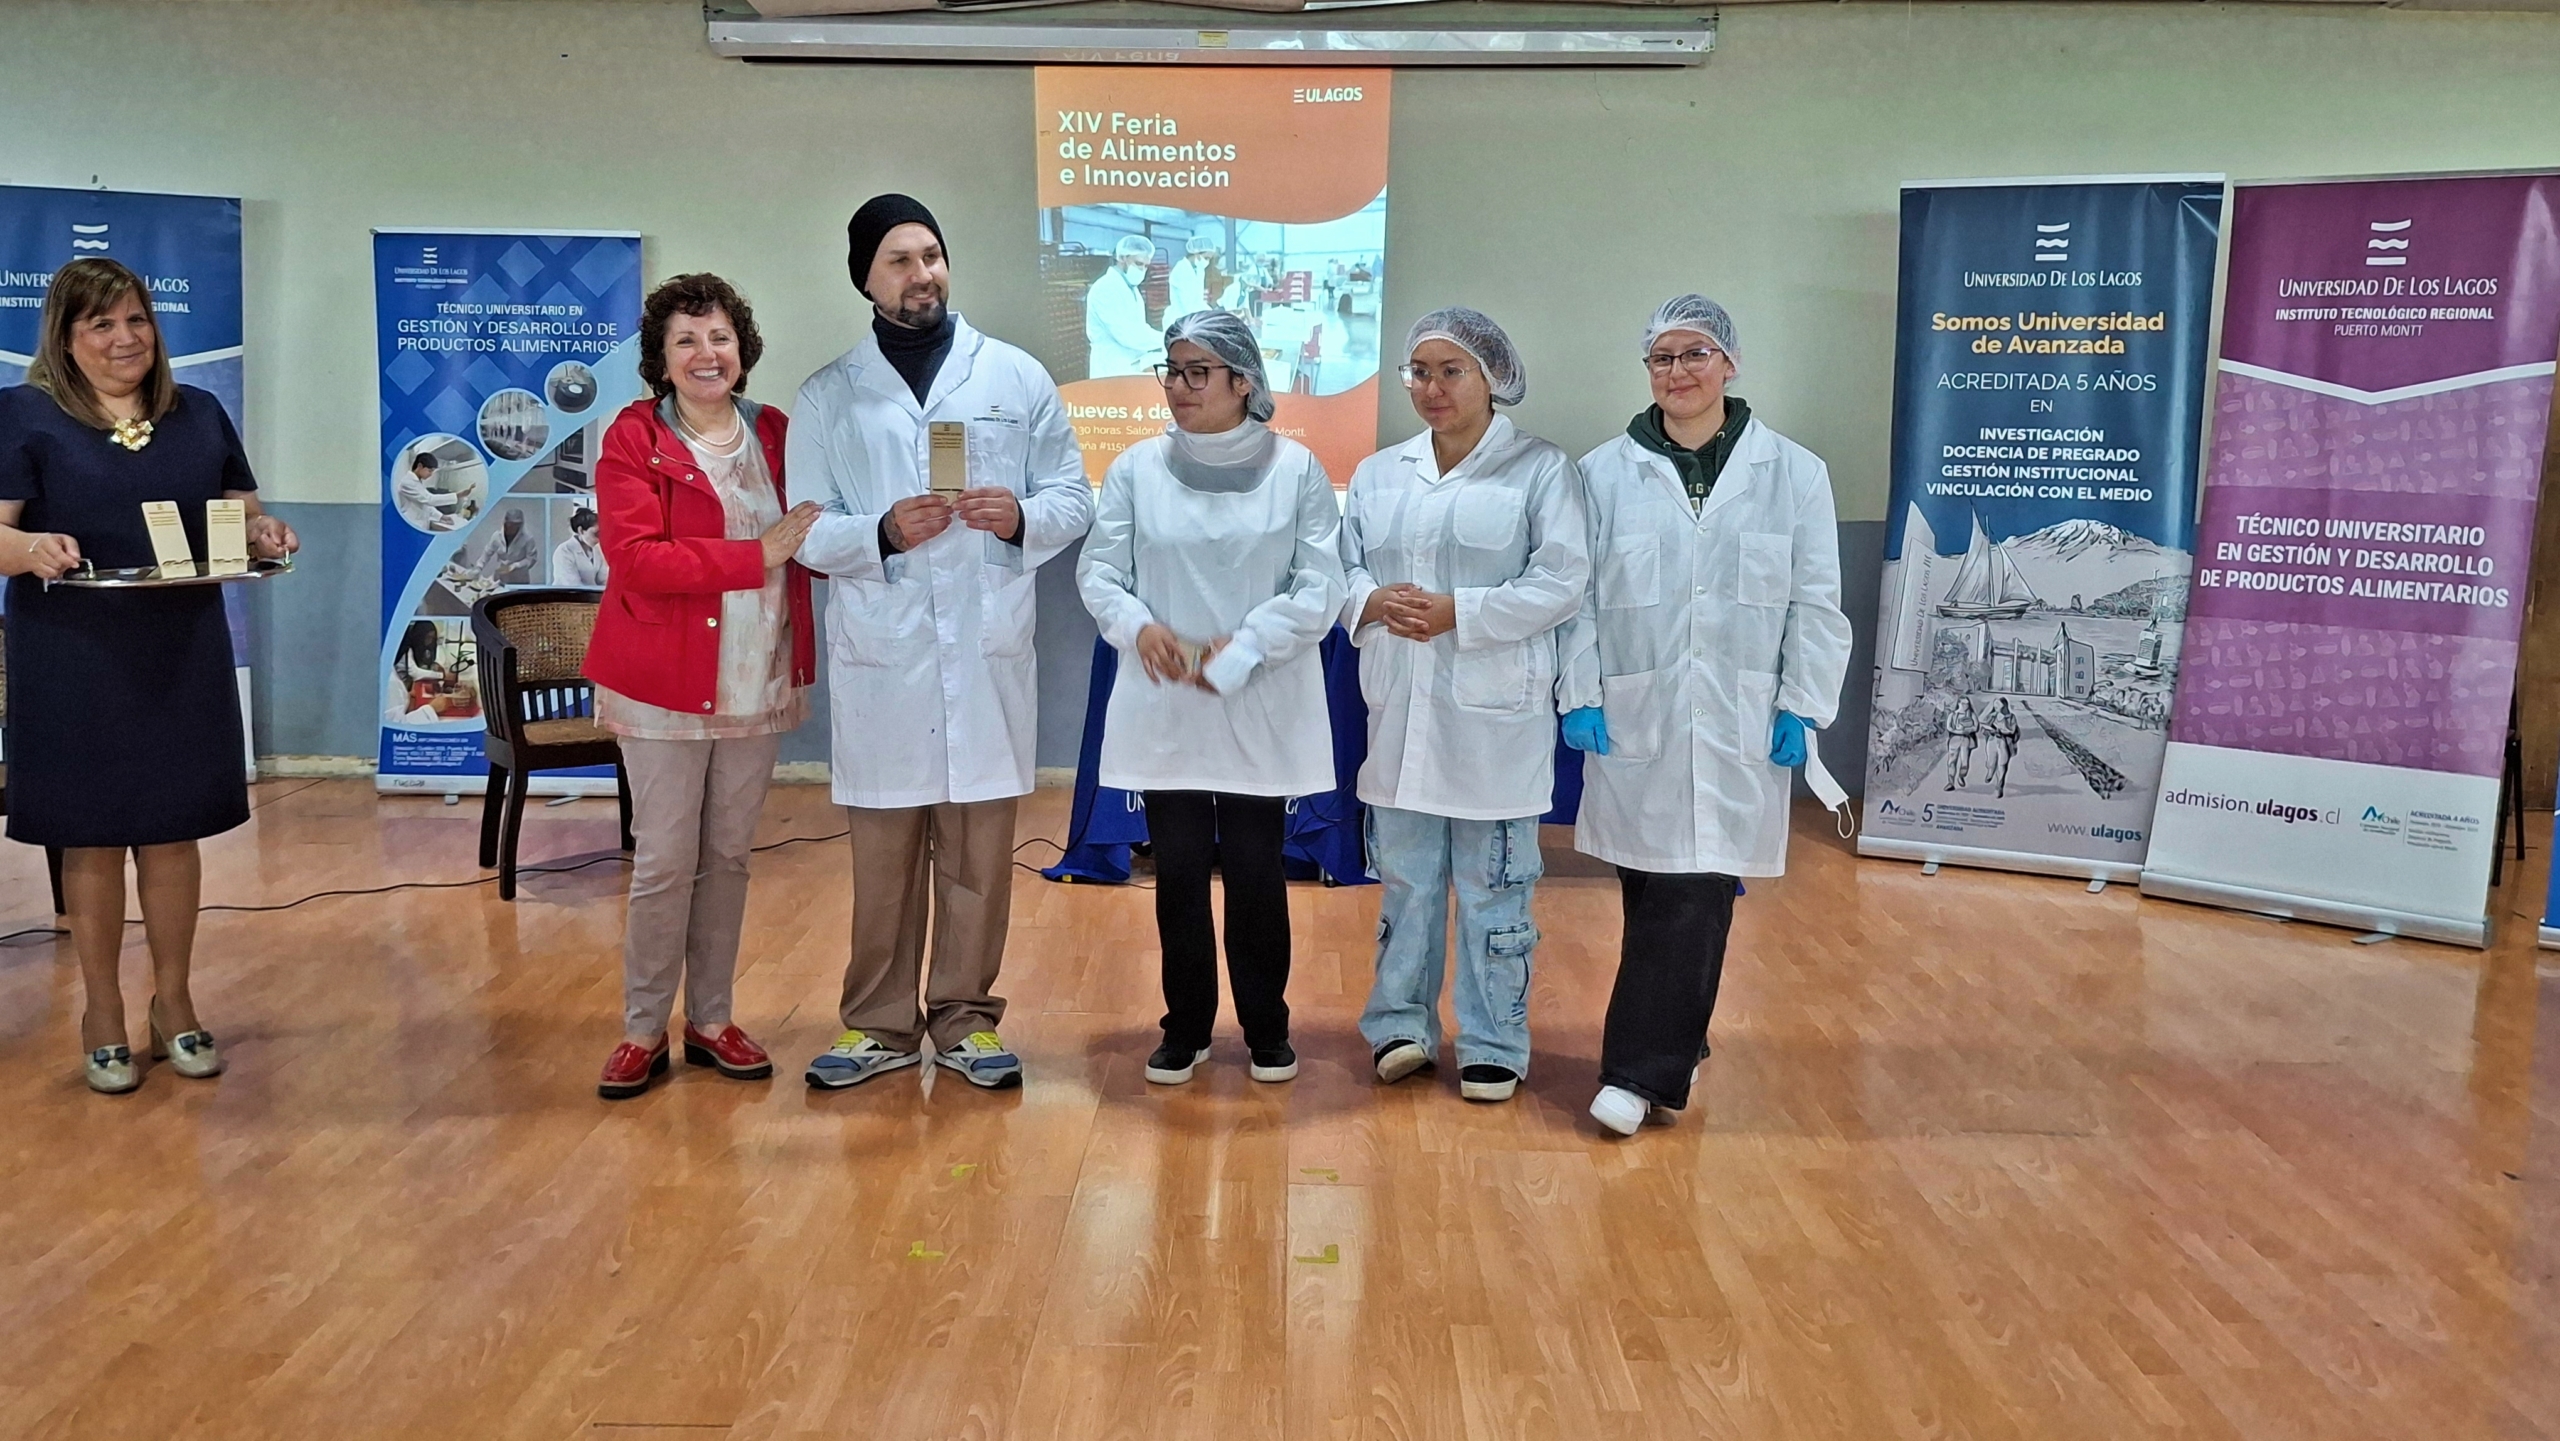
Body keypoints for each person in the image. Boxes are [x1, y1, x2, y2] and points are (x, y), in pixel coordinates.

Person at [791, 195, 1092, 1092]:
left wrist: (1021, 516)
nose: (921, 273)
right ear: (866, 279)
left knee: (977, 860)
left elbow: (1073, 497)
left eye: (931, 254)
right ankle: (879, 1023)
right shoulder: (828, 394)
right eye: (899, 260)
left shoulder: (1015, 376)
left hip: (984, 649)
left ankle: (966, 1019)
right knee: (884, 862)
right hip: (885, 660)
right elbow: (805, 528)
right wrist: (879, 532)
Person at [0, 258, 300, 1094]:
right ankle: (101, 1013)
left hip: (180, 646)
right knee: (91, 835)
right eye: (101, 324)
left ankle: (176, 1003)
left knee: (173, 829)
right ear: (65, 336)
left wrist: (265, 532)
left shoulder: (197, 410)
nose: (124, 338)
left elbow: (237, 511)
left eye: (136, 319)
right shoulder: (23, 414)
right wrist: (30, 548)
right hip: (71, 655)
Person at [1559, 294, 1850, 1137]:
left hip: (1738, 716)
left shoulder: (1793, 473)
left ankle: (1636, 1072)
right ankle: (1678, 1032)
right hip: (1635, 710)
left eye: (1696, 354)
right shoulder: (1601, 473)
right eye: (1662, 357)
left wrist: (1803, 704)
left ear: (1730, 362)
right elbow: (1578, 599)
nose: (1678, 371)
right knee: (1653, 882)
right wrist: (1580, 691)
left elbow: (1816, 602)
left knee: (1696, 885)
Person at [1076, 309, 1344, 1088]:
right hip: (1168, 697)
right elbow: (1100, 571)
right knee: (1180, 870)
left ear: (1244, 381)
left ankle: (1267, 1028)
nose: (1179, 386)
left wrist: (1248, 645)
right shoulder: (1136, 468)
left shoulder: (1296, 469)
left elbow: (1319, 584)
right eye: (1173, 370)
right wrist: (1138, 626)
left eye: (1199, 372)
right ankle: (1186, 1025)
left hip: (1260, 696)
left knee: (1258, 867)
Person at [582, 272, 820, 1101]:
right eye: (685, 340)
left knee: (727, 856)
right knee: (664, 859)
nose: (705, 353)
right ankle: (642, 1029)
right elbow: (636, 557)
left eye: (718, 336)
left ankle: (711, 1019)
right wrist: (759, 553)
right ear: (661, 357)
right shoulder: (632, 436)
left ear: (741, 349)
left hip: (757, 678)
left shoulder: (777, 430)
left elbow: (819, 526)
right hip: (663, 684)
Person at [1340, 307, 1587, 1104]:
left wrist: (1463, 613)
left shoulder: (1540, 470)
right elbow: (1339, 569)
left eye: (1452, 371)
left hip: (1495, 720)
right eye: (1419, 372)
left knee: (1495, 888)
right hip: (1400, 711)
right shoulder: (1380, 473)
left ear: (1492, 376)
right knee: (1407, 885)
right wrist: (1371, 600)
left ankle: (1493, 1041)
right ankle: (1399, 1027)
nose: (1432, 387)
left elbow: (1562, 580)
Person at [1085, 235, 1161, 378]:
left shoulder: (1132, 289)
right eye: (1139, 263)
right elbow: (1128, 335)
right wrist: (1168, 339)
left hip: (1130, 364)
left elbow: (1140, 327)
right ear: (1122, 258)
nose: (1142, 270)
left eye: (1146, 266)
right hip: (1110, 366)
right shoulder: (1105, 288)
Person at [1164, 230, 1229, 322]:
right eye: (1206, 258)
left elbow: (1198, 300)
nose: (1207, 262)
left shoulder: (1199, 269)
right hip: (1180, 317)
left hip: (1191, 315)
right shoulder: (1181, 270)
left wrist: (1212, 313)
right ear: (1196, 253)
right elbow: (1187, 304)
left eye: (1209, 259)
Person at [395, 448, 460, 530]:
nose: (431, 474)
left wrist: (441, 516)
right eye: (430, 471)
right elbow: (429, 500)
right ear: (420, 466)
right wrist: (457, 495)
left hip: (420, 524)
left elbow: (425, 505)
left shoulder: (417, 482)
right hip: (411, 524)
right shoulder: (407, 483)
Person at [476, 506, 541, 586]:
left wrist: (515, 565)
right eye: (510, 524)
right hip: (501, 577)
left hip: (520, 579)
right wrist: (479, 567)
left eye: (515, 525)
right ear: (505, 523)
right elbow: (487, 552)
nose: (512, 527)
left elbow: (531, 559)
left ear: (520, 525)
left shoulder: (528, 538)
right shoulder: (496, 536)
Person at [552, 506, 608, 586]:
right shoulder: (564, 551)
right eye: (596, 534)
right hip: (568, 593)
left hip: (590, 594)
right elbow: (572, 585)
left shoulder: (597, 550)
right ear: (581, 530)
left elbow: (603, 581)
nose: (599, 539)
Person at [1985, 697, 2019, 798]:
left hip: (2004, 742)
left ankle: (1999, 786)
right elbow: (1983, 725)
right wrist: (1989, 730)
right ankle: (1990, 772)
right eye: (1995, 704)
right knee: (1991, 762)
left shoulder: (2011, 717)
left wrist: (2001, 730)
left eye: (1998, 704)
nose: (1996, 706)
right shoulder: (1992, 715)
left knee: (2002, 765)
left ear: (2004, 706)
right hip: (1992, 741)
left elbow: (2012, 730)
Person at [1944, 693, 1979, 790]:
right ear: (1958, 703)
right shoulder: (1953, 715)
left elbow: (1976, 727)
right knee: (1951, 761)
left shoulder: (1971, 714)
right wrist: (1958, 731)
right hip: (1954, 739)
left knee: (1964, 762)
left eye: (1967, 704)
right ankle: (1950, 782)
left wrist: (1968, 730)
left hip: (1966, 739)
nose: (1965, 706)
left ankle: (1961, 776)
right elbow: (1949, 727)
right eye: (1963, 704)